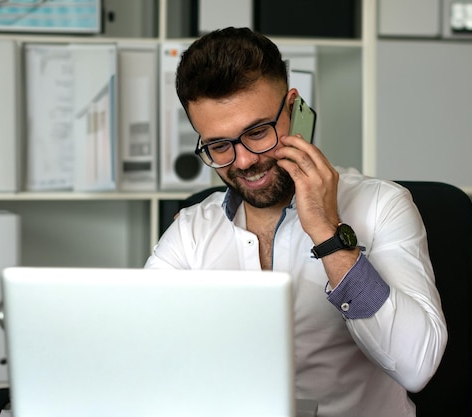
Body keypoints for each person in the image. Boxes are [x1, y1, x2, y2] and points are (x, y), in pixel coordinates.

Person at [145, 26, 447, 417]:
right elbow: (144, 353)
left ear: (294, 108)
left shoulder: (381, 205)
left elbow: (416, 367)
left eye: (257, 132)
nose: (244, 161)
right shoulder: (191, 231)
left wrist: (328, 232)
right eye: (219, 145)